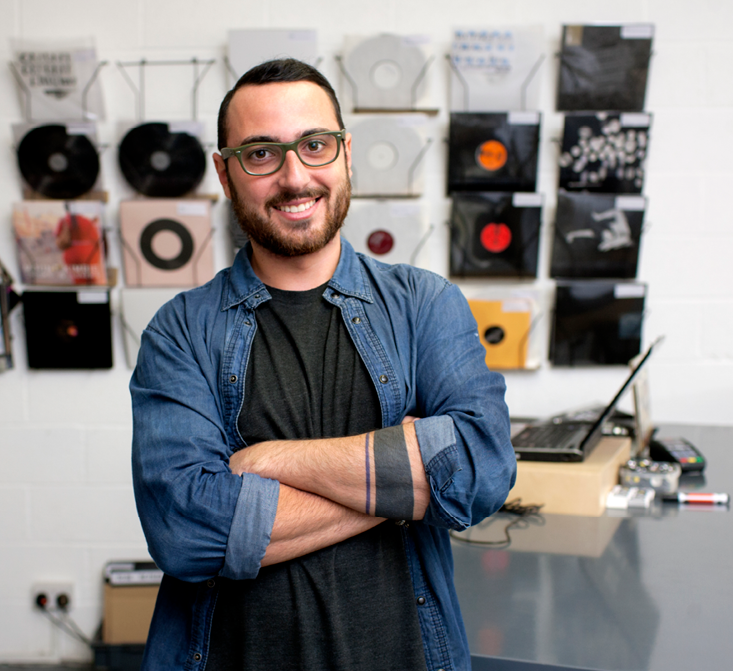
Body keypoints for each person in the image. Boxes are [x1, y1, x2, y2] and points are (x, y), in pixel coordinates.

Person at [130, 58, 516, 671]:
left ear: (345, 154)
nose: (294, 176)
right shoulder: (180, 332)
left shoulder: (424, 304)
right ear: (225, 174)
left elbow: (479, 472)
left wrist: (270, 463)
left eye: (315, 145)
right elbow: (183, 530)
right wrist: (405, 480)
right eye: (261, 153)